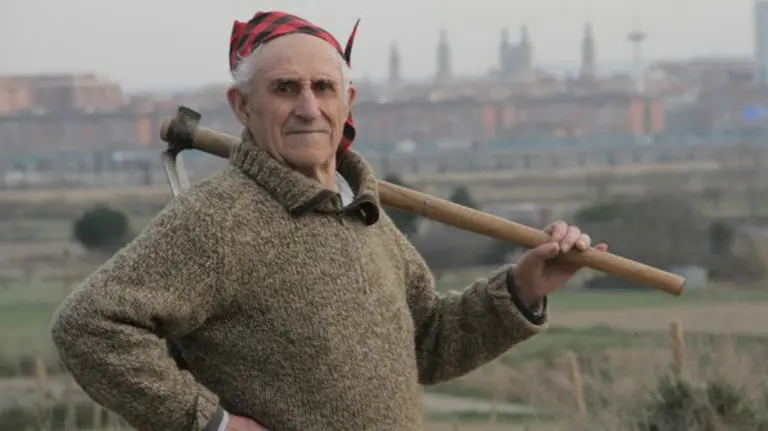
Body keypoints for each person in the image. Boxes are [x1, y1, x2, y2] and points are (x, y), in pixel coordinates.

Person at [50, 10, 608, 431]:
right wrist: (210, 423)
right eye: (285, 88)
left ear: (348, 100)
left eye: (323, 87)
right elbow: (88, 326)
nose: (308, 108)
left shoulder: (361, 214)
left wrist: (524, 287)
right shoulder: (218, 219)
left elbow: (429, 345)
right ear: (243, 106)